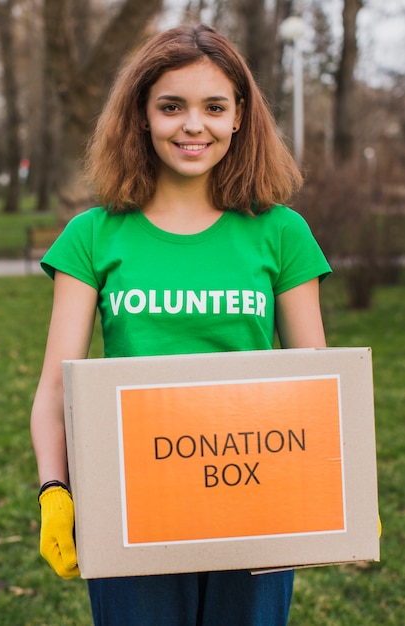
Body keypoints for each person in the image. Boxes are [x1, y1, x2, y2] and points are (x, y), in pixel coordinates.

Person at [30, 22, 331, 626]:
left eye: (214, 107)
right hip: (128, 501)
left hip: (258, 501)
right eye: (171, 107)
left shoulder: (281, 232)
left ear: (240, 116)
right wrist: (54, 491)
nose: (193, 125)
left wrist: (337, 478)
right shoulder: (92, 235)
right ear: (142, 115)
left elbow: (317, 384)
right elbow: (57, 387)